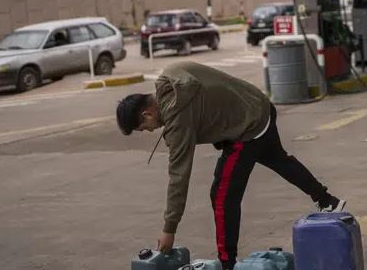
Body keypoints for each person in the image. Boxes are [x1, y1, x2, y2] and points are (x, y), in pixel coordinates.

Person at [116, 62, 345, 270]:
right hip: (258, 105)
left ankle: (227, 264)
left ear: (147, 114)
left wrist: (169, 228)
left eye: (142, 128)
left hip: (247, 130)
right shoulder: (171, 73)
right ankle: (329, 201)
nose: (148, 131)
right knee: (279, 160)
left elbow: (179, 175)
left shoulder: (178, 119)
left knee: (222, 196)